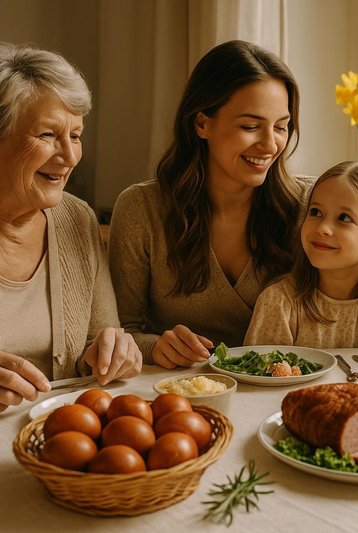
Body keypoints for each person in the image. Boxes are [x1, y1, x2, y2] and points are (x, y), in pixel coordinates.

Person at [0, 42, 142, 424]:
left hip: (59, 447)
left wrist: (116, 351)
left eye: (75, 135)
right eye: (47, 135)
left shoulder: (78, 219)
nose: (70, 157)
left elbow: (101, 340)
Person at [108, 40, 306, 369]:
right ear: (201, 123)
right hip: (180, 392)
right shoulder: (140, 209)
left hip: (283, 392)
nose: (271, 144)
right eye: (250, 126)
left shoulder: (308, 208)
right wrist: (156, 347)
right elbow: (118, 332)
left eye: (281, 127)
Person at [245, 161, 358, 352]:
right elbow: (257, 376)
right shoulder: (278, 303)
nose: (323, 228)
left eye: (344, 218)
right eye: (315, 212)